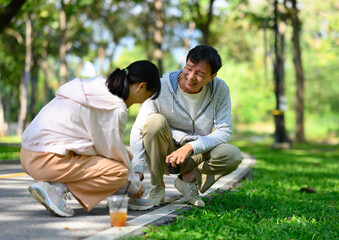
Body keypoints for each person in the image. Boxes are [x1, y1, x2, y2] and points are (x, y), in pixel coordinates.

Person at [20, 60, 161, 217]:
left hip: (28, 152)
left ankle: (122, 194)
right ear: (140, 86)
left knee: (124, 156)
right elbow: (112, 152)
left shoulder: (97, 86)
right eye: (143, 98)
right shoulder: (115, 107)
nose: (138, 103)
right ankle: (57, 189)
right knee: (119, 172)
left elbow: (111, 146)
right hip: (46, 160)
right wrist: (134, 185)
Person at [130, 45, 242, 207]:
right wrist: (137, 169)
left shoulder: (220, 89)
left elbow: (224, 131)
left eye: (200, 74)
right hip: (164, 153)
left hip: (194, 154)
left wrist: (190, 147)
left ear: (212, 76)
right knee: (154, 121)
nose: (191, 76)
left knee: (232, 154)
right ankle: (157, 186)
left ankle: (187, 179)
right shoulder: (161, 87)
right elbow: (138, 128)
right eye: (188, 68)